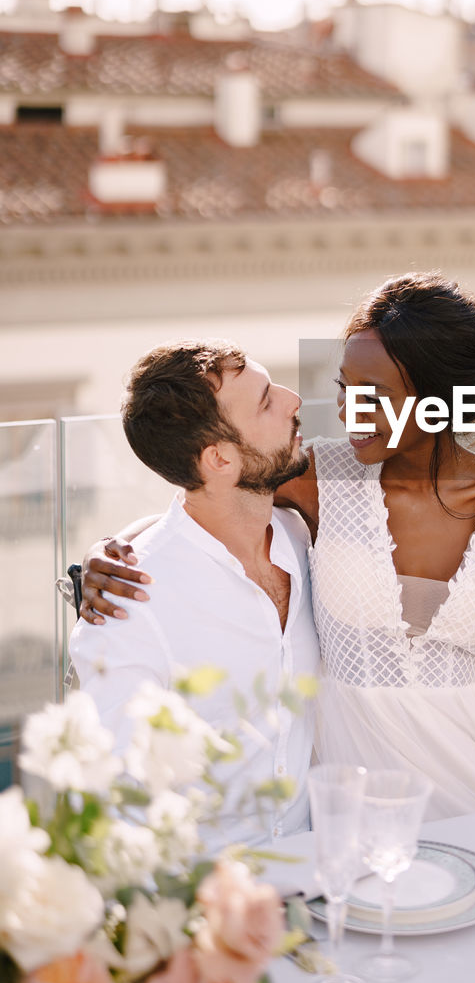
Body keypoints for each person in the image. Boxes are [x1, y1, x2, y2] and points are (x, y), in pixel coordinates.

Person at [80, 274, 475, 829]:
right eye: (346, 388)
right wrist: (115, 550)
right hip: (350, 792)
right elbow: (208, 493)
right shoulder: (320, 477)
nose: (350, 412)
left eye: (377, 397)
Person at [69, 341, 320, 853]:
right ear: (220, 458)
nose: (294, 400)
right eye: (267, 401)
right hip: (203, 898)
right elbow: (112, 797)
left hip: (316, 866)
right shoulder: (130, 603)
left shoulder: (304, 540)